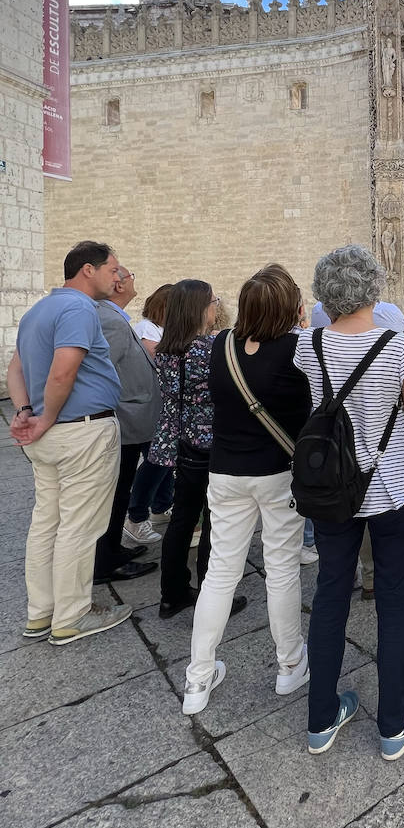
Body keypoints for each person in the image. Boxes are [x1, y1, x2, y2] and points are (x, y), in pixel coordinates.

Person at [294, 245, 404, 760]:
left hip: (330, 487)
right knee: (394, 599)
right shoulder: (399, 347)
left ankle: (320, 718)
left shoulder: (308, 345)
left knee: (331, 591)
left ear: (325, 294)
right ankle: (394, 722)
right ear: (374, 288)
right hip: (392, 486)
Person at [183, 265, 312, 714]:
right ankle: (289, 664)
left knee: (220, 571)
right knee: (282, 569)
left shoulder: (220, 345)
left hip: (226, 471)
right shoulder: (297, 349)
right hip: (277, 472)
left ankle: (198, 677)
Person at [7, 240, 132, 645]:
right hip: (81, 431)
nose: (118, 277)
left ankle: (41, 612)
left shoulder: (38, 310)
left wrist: (26, 410)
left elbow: (15, 369)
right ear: (87, 270)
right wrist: (43, 417)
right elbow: (64, 370)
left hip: (50, 435)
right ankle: (72, 616)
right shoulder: (79, 308)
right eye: (112, 269)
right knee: (79, 525)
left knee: (47, 522)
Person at [153, 280, 246, 620]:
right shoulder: (210, 348)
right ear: (200, 308)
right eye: (213, 301)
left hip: (180, 442)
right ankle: (212, 594)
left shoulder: (166, 349)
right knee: (214, 521)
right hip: (212, 443)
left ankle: (172, 593)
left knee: (182, 518)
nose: (215, 306)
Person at [310, 294, 404, 589]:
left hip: (329, 464)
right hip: (387, 470)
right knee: (395, 587)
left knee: (331, 582)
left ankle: (352, 573)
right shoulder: (395, 331)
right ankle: (371, 576)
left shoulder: (308, 340)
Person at [92, 262, 161, 584]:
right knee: (116, 491)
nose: (134, 281)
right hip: (124, 420)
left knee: (121, 490)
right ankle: (104, 562)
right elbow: (102, 373)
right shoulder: (109, 319)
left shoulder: (115, 317)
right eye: (131, 276)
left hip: (130, 420)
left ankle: (113, 550)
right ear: (119, 285)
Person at [124, 284, 175, 547]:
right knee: (157, 460)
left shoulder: (159, 329)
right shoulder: (147, 329)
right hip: (150, 406)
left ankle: (161, 505)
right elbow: (160, 359)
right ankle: (136, 516)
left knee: (164, 459)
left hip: (159, 404)